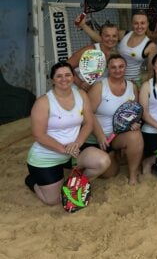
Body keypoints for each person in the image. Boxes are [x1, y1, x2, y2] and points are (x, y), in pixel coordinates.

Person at [25, 62, 110, 205]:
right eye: (59, 76)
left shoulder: (81, 94)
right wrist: (64, 149)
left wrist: (77, 143)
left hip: (73, 152)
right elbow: (39, 135)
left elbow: (89, 123)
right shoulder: (43, 102)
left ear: (73, 77)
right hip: (47, 157)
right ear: (52, 79)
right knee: (53, 201)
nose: (64, 79)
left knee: (103, 161)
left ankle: (76, 183)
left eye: (67, 75)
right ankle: (31, 180)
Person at [86, 55, 143, 185]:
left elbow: (134, 113)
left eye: (121, 66)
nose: (118, 70)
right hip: (98, 138)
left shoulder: (132, 87)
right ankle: (114, 156)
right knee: (110, 173)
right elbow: (88, 114)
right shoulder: (99, 87)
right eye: (113, 67)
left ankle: (133, 176)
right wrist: (100, 136)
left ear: (126, 67)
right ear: (108, 69)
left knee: (136, 135)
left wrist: (134, 124)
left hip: (118, 136)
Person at [81, 11, 157, 85]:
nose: (139, 26)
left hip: (133, 82)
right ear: (132, 24)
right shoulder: (124, 34)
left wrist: (145, 88)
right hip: (114, 78)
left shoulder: (151, 46)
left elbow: (151, 72)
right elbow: (102, 39)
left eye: (142, 23)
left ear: (147, 24)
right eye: (136, 23)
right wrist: (83, 25)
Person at [67, 22, 119, 91]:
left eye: (114, 36)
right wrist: (79, 83)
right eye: (107, 36)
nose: (111, 39)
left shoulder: (116, 54)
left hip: (94, 92)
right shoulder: (90, 50)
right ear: (101, 36)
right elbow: (66, 66)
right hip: (76, 91)